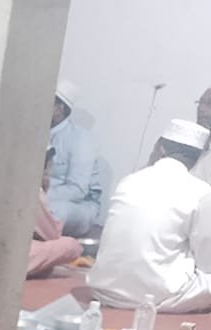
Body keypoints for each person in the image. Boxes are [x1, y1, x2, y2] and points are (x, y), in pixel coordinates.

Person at [87, 119, 211, 312]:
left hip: (103, 290)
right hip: (154, 297)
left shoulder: (129, 180)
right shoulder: (201, 192)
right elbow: (206, 259)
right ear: (197, 159)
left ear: (160, 147)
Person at [48, 79, 103, 237]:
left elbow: (77, 190)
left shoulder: (80, 139)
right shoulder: (38, 131)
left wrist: (38, 196)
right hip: (41, 198)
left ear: (60, 108)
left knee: (54, 212)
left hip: (80, 205)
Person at [28, 147, 85, 279]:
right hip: (12, 256)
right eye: (48, 171)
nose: (48, 176)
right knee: (71, 246)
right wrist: (43, 189)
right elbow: (51, 235)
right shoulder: (31, 188)